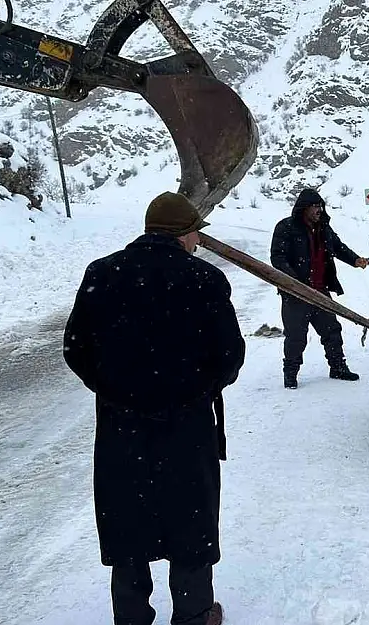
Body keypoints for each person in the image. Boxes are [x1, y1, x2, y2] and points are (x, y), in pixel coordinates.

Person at [63, 191, 244, 625]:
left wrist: (113, 390)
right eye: (196, 232)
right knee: (191, 524)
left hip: (121, 429)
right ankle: (194, 614)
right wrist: (194, 391)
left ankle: (131, 617)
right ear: (184, 234)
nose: (198, 240)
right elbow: (229, 355)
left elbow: (75, 349)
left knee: (128, 526)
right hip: (188, 427)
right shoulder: (204, 279)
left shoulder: (102, 274)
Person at [270, 188, 369, 389]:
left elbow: (338, 247)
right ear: (304, 208)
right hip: (295, 293)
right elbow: (277, 258)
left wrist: (355, 260)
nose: (319, 210)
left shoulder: (324, 228)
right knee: (296, 336)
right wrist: (295, 282)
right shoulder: (286, 228)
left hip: (320, 290)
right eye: (315, 206)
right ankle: (290, 374)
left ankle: (338, 367)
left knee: (332, 330)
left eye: (320, 206)